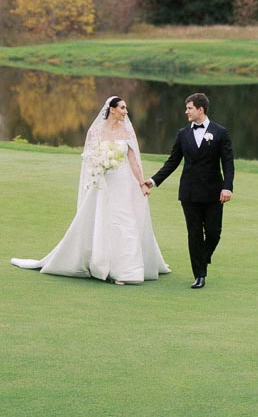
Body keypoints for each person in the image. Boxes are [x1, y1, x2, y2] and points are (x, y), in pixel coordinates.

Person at [11, 96, 170, 285]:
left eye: (126, 108)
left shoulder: (126, 130)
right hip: (103, 184)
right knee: (104, 221)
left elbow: (133, 160)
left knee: (125, 222)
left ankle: (128, 271)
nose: (126, 112)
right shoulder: (96, 131)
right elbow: (89, 160)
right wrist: (98, 170)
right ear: (112, 109)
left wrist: (142, 183)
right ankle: (103, 266)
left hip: (123, 183)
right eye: (122, 108)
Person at [143, 92, 234, 289]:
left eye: (189, 108)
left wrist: (227, 187)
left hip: (213, 192)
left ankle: (202, 258)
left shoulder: (220, 132)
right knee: (194, 234)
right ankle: (199, 275)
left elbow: (228, 163)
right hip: (189, 193)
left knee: (213, 232)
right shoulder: (182, 134)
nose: (186, 112)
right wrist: (153, 180)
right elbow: (173, 161)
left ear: (200, 110)